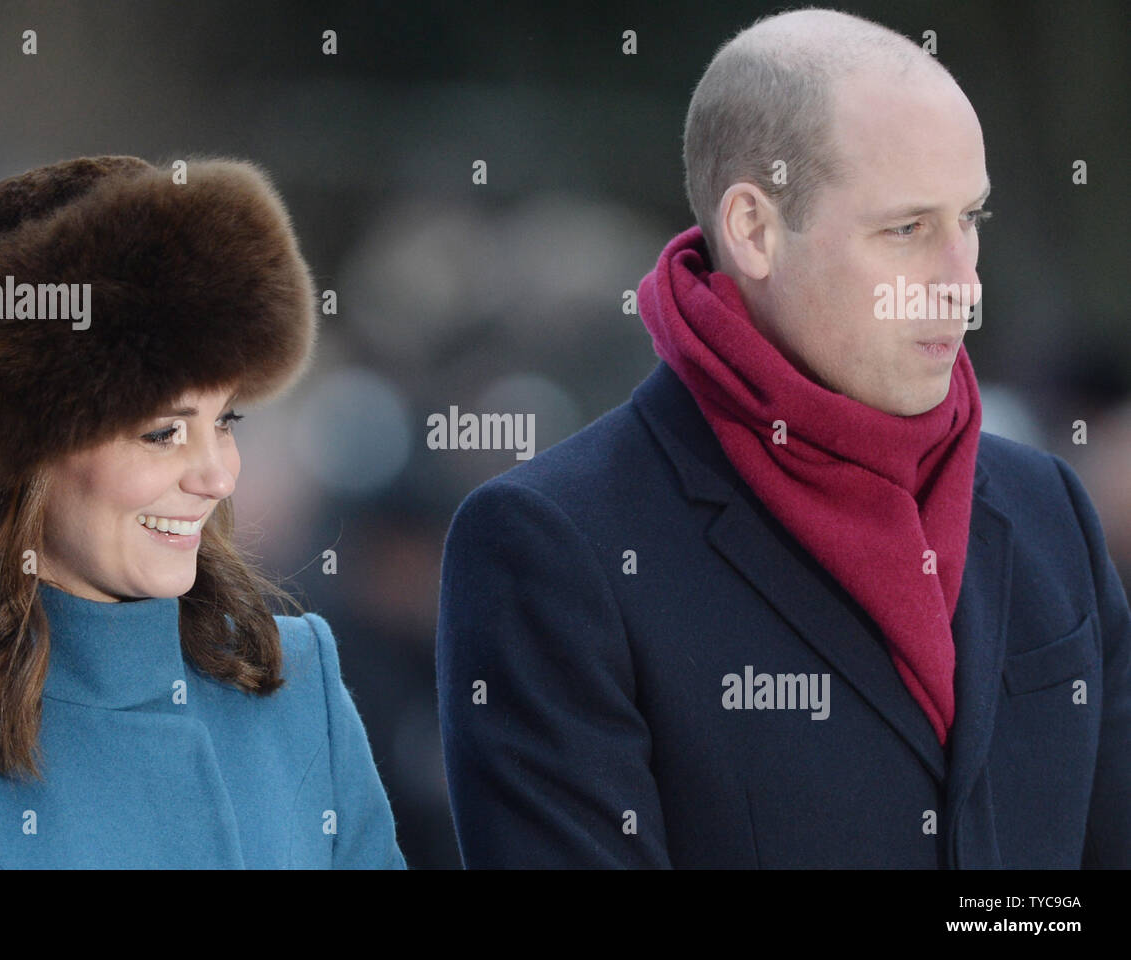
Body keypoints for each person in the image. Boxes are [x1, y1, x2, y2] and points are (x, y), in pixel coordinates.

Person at [436, 8, 1131, 867]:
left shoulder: (1046, 508)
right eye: (908, 229)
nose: (964, 283)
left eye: (971, 219)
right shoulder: (552, 545)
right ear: (755, 231)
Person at [0, 154, 406, 869]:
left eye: (227, 420)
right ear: (16, 454)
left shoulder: (294, 683)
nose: (219, 474)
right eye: (162, 432)